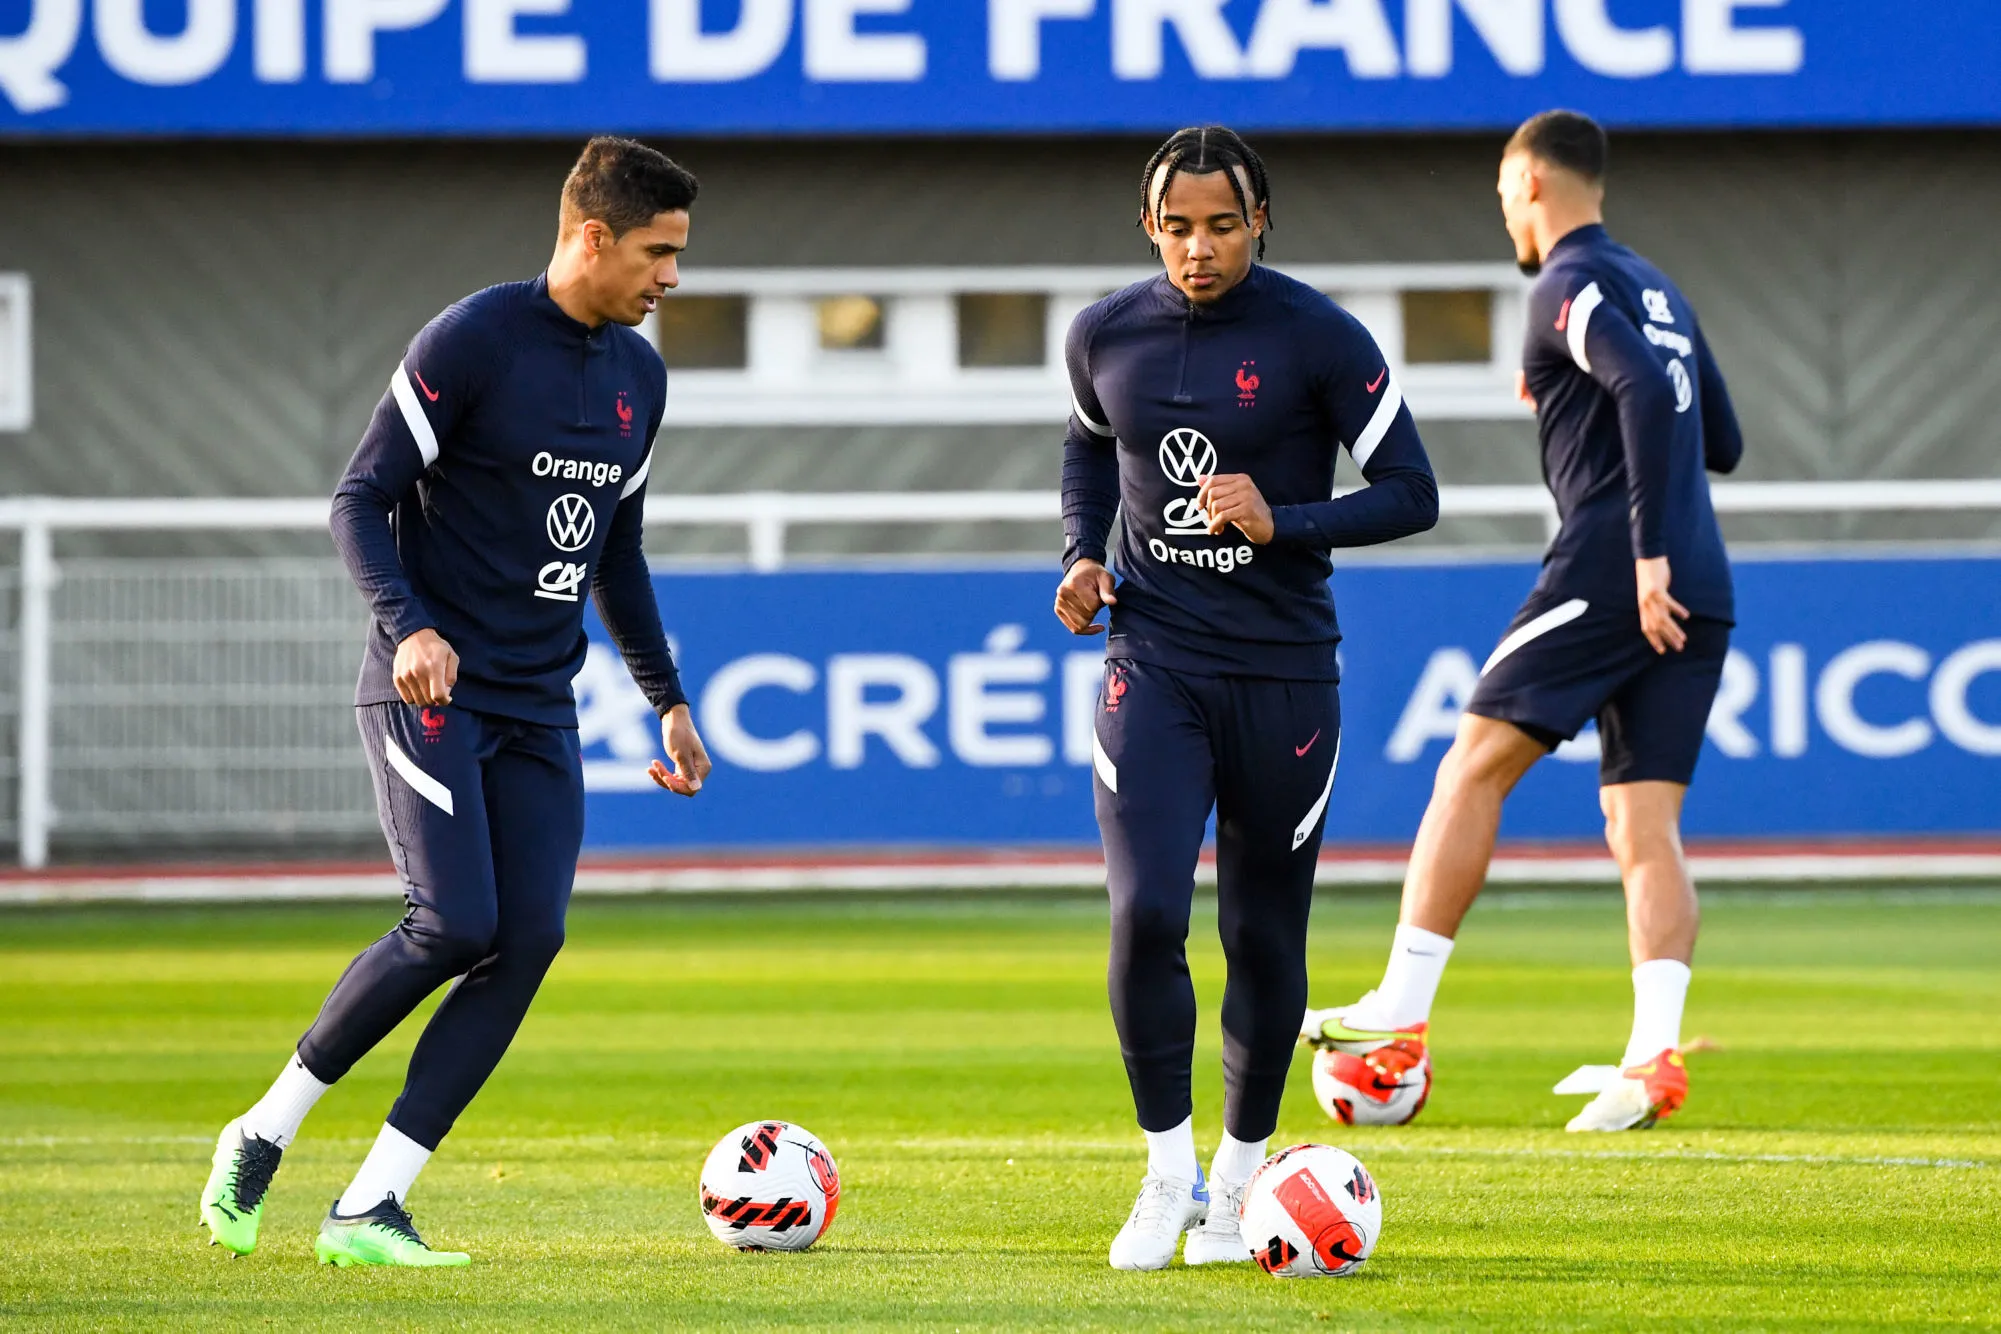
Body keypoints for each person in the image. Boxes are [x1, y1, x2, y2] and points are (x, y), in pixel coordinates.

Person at [198, 137, 714, 1265]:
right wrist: (410, 624)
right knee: (455, 921)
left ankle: (370, 1204)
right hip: (427, 691)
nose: (672, 276)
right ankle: (261, 1129)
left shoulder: (639, 377)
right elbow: (358, 498)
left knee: (527, 936)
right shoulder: (473, 339)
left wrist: (665, 696)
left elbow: (616, 553)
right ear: (592, 235)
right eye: (659, 252)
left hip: (542, 702)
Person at [1302, 110, 1745, 1134]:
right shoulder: (1662, 288)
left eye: (1506, 192)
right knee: (1645, 823)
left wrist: (1640, 550)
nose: (1505, 209)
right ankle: (1651, 1056)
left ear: (1535, 183)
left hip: (1613, 568)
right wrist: (1571, 398)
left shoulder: (1564, 282)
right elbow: (1717, 434)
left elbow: (1632, 382)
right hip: (1703, 574)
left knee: (1471, 765)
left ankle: (1400, 1012)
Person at [1056, 125, 1439, 1270]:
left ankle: (1236, 1182)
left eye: (1222, 224)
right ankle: (1165, 1171)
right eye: (1178, 227)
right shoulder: (1105, 333)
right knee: (1145, 914)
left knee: (1262, 932)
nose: (1199, 247)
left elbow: (1414, 490)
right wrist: (1082, 552)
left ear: (1259, 219)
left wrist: (1290, 521)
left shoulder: (1318, 335)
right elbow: (1087, 453)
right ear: (1148, 226)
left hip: (1285, 678)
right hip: (1153, 661)